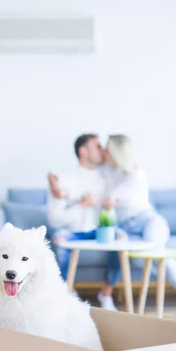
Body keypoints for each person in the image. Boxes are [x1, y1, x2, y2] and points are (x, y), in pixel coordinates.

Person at [103, 134, 176, 297]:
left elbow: (111, 200)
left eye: (107, 149)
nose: (104, 152)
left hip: (148, 221)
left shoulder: (136, 173)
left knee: (156, 252)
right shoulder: (110, 172)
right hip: (126, 228)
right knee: (137, 258)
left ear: (117, 152)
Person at [47, 133, 125, 311]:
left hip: (99, 230)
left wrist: (103, 205)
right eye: (97, 146)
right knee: (59, 240)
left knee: (121, 238)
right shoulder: (63, 178)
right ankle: (67, 293)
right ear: (83, 151)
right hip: (71, 231)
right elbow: (55, 219)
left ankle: (106, 294)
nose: (103, 150)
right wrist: (82, 205)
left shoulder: (108, 176)